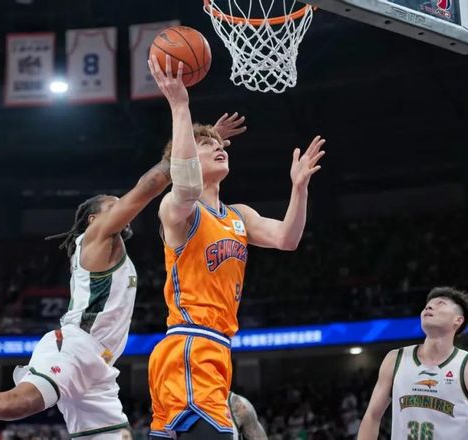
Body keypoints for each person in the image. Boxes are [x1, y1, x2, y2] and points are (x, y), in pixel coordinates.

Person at [0, 111, 245, 440]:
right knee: (20, 403)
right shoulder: (95, 237)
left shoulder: (113, 249)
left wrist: (198, 148)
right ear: (94, 219)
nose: (121, 206)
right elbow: (148, 186)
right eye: (113, 204)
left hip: (99, 365)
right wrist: (189, 151)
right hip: (76, 346)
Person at [146, 55, 325, 440]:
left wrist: (299, 189)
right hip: (190, 344)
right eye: (206, 145)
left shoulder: (238, 214)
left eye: (219, 144)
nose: (218, 147)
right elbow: (186, 183)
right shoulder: (178, 210)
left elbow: (287, 239)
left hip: (215, 349)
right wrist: (180, 105)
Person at [358, 287, 468, 440]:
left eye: (440, 303)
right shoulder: (396, 359)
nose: (429, 307)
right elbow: (372, 416)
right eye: (427, 306)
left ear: (458, 320)